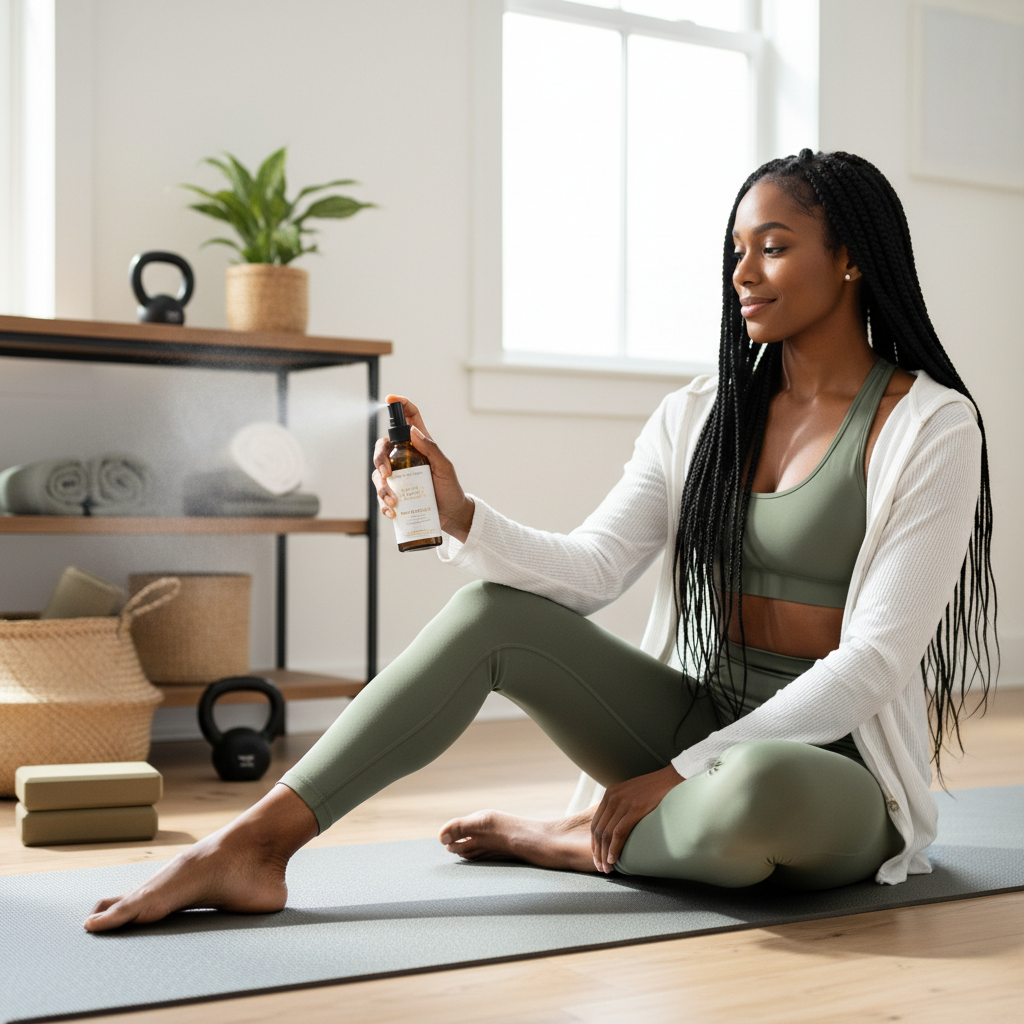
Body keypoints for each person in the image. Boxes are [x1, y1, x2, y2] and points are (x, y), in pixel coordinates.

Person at [84, 149, 995, 932]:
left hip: (827, 769)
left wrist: (683, 771)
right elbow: (595, 566)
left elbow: (874, 662)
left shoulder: (930, 428)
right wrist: (461, 515)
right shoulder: (699, 414)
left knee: (753, 792)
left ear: (850, 262)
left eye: (775, 247)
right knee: (490, 612)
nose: (744, 273)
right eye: (737, 251)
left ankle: (569, 840)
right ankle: (255, 843)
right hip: (697, 718)